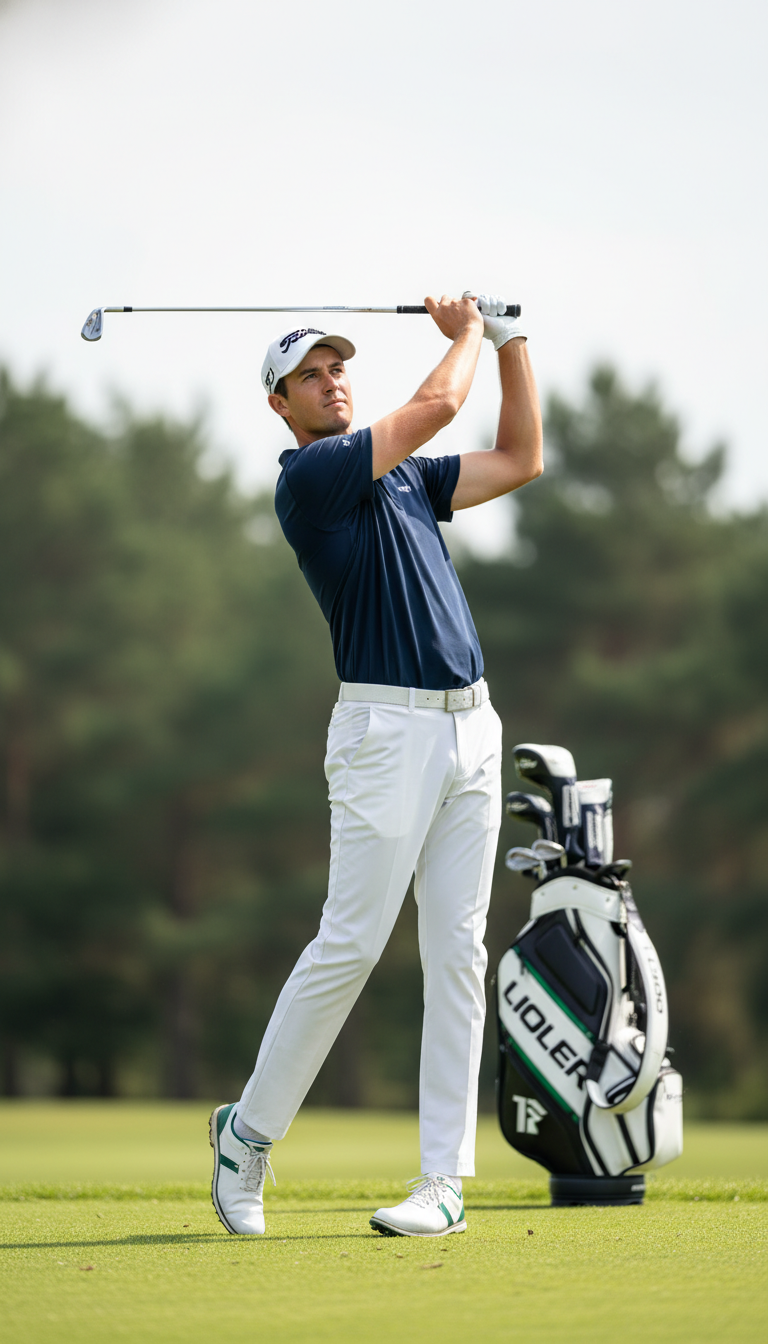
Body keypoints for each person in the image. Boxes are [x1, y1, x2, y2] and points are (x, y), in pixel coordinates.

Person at [210, 291, 543, 1239]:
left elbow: (522, 458)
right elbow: (437, 406)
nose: (331, 382)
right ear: (281, 404)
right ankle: (248, 1137)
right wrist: (470, 329)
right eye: (309, 376)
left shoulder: (402, 480)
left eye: (338, 367)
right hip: (383, 735)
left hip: (472, 729)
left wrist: (515, 344)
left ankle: (444, 1181)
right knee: (351, 944)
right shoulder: (311, 478)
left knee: (458, 953)